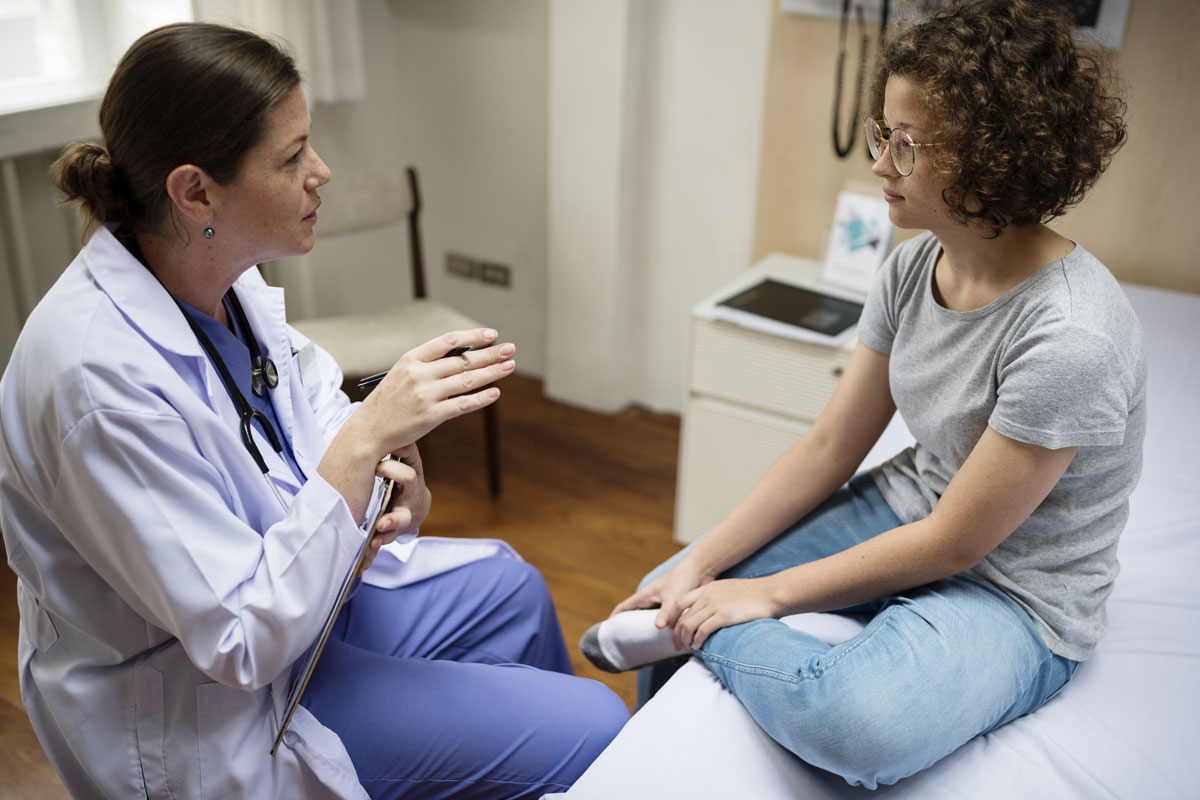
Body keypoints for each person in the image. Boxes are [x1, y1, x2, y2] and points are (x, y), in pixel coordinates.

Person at [0, 22, 627, 800]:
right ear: (196, 192)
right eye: (292, 156)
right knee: (598, 724)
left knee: (514, 593)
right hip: (213, 701)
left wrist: (392, 479)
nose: (322, 172)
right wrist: (367, 441)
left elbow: (311, 407)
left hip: (305, 614)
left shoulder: (219, 279)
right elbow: (238, 640)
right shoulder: (95, 382)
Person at [581, 0, 1141, 789]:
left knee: (854, 722)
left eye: (906, 144)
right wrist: (704, 562)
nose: (880, 164)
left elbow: (957, 544)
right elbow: (828, 446)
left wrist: (762, 596)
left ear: (992, 157)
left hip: (1016, 589)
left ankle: (694, 634)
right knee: (675, 584)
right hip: (913, 506)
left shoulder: (1072, 337)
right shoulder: (911, 269)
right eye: (884, 134)